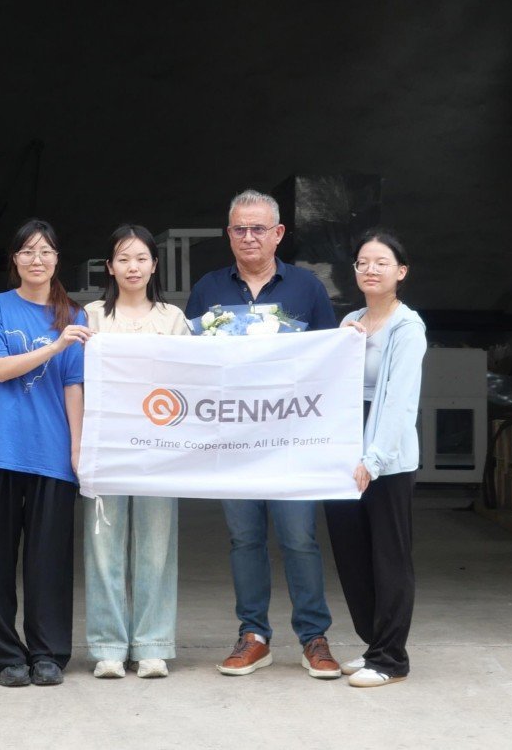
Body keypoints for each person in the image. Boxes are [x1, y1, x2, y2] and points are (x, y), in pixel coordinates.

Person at [185, 189, 341, 679]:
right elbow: (188, 363)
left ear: (278, 234)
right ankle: (253, 636)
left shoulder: (307, 288)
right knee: (244, 539)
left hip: (292, 439)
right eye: (239, 229)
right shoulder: (208, 288)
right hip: (232, 440)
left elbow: (330, 361)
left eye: (258, 228)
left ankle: (313, 637)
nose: (248, 237)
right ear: (228, 234)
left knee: (299, 538)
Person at [0, 219, 93, 687]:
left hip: (51, 452)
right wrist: (56, 344)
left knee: (49, 560)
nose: (37, 260)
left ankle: (48, 653)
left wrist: (77, 448)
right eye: (27, 252)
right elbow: (0, 369)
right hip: (0, 449)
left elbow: (74, 386)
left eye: (45, 252)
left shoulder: (75, 315)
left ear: (57, 259)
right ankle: (5, 656)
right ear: (15, 259)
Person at [83, 224, 190, 680]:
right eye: (123, 259)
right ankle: (108, 646)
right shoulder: (90, 316)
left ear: (154, 265)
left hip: (159, 449)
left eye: (141, 258)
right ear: (109, 267)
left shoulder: (173, 318)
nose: (133, 267)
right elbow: (76, 381)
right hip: (105, 446)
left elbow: (193, 380)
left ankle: (152, 645)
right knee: (103, 547)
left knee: (156, 548)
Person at [325, 228, 426, 688]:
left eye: (381, 263)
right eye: (363, 262)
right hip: (345, 452)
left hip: (385, 456)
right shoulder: (352, 320)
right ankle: (373, 645)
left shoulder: (407, 328)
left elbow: (399, 401)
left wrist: (375, 459)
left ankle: (391, 658)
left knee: (389, 557)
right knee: (352, 555)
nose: (370, 269)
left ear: (400, 272)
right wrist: (340, 342)